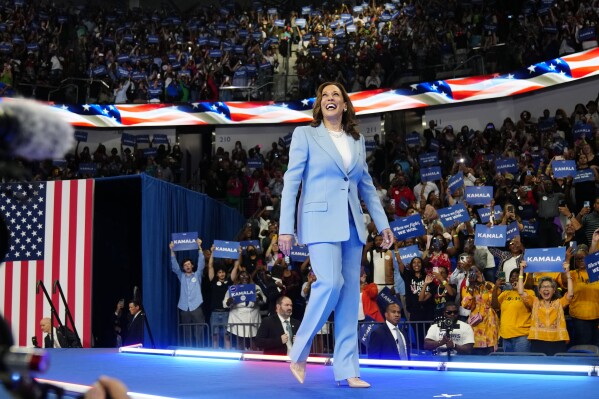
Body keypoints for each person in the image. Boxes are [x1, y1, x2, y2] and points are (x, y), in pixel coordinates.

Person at [278, 82, 394, 388]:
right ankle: (298, 349)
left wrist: (383, 225)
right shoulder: (305, 134)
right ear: (319, 105)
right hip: (318, 221)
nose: (330, 99)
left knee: (346, 299)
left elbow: (366, 186)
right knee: (330, 283)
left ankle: (347, 370)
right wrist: (285, 228)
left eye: (336, 96)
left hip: (352, 226)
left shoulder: (356, 141)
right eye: (325, 95)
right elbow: (291, 182)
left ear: (344, 106)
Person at [518, 258, 573, 355]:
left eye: (549, 286)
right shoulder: (535, 302)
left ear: (554, 290)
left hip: (557, 342)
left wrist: (568, 273)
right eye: (543, 287)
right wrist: (522, 271)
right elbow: (521, 292)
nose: (546, 289)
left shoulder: (559, 303)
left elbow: (570, 294)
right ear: (539, 291)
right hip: (538, 341)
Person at [169, 239, 206, 347]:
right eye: (185, 265)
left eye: (189, 264)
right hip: (184, 307)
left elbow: (202, 262)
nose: (187, 266)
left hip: (196, 306)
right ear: (183, 267)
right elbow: (175, 266)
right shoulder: (181, 276)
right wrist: (172, 250)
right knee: (186, 331)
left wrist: (199, 247)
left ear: (192, 266)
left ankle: (200, 350)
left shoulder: (197, 275)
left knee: (199, 331)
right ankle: (188, 350)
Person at [491, 268, 534, 352]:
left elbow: (531, 305)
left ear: (523, 278)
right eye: (512, 277)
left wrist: (519, 289)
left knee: (521, 363)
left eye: (517, 276)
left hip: (522, 335)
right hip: (506, 335)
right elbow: (495, 306)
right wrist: (496, 287)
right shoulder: (505, 293)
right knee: (508, 363)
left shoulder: (529, 293)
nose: (514, 278)